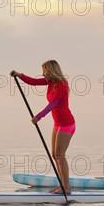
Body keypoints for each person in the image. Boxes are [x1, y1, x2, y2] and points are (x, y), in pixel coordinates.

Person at [11, 60, 75, 194]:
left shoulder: (62, 84)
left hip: (67, 124)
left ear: (51, 71)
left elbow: (53, 104)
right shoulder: (50, 82)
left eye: (45, 71)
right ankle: (62, 186)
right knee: (55, 155)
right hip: (57, 124)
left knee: (60, 155)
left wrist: (38, 117)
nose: (43, 74)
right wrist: (19, 75)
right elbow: (33, 82)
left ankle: (66, 187)